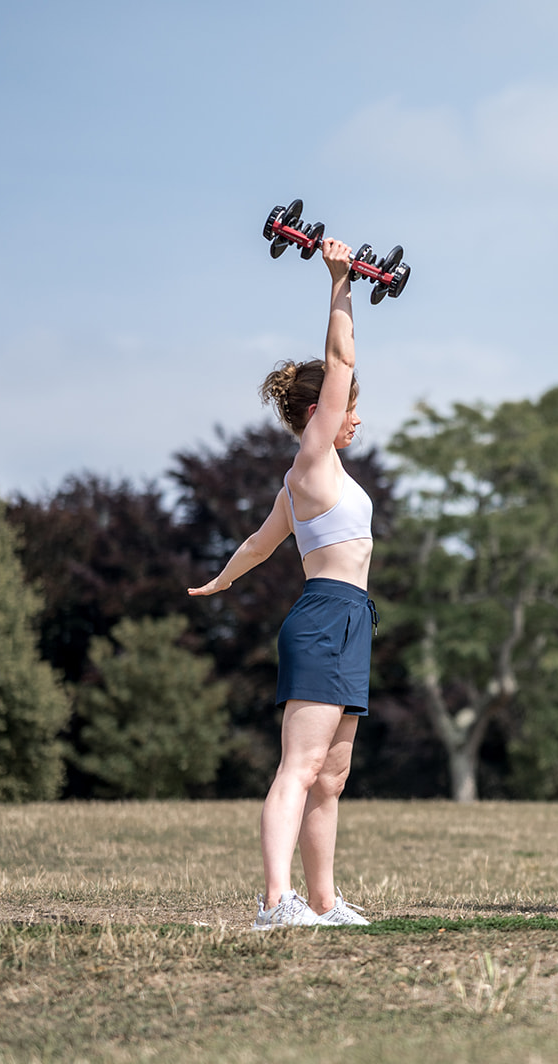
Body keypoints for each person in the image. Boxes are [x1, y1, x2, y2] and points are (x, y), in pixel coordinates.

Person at [189, 238, 375, 929]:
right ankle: (274, 901)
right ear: (319, 413)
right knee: (298, 767)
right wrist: (339, 283)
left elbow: (260, 545)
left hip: (352, 617)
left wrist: (219, 581)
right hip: (326, 616)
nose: (355, 413)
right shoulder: (313, 458)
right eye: (347, 405)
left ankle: (323, 902)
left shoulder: (303, 485)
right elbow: (343, 359)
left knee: (332, 775)